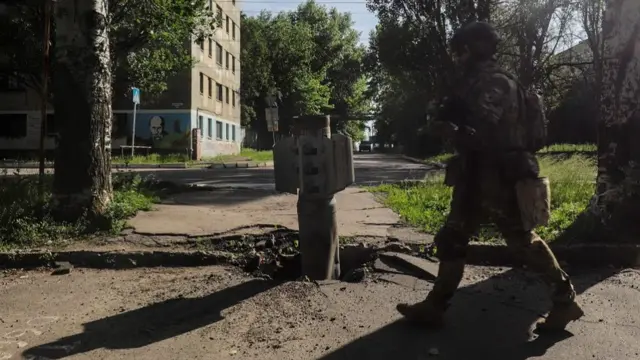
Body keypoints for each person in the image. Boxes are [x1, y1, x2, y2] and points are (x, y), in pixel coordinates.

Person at [396, 21, 584, 332]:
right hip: (480, 174)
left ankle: (565, 301)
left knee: (522, 241)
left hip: (499, 175)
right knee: (453, 236)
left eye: (459, 52)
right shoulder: (486, 81)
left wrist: (448, 130)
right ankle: (435, 306)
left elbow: (486, 134)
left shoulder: (494, 83)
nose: (456, 59)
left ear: (470, 50)